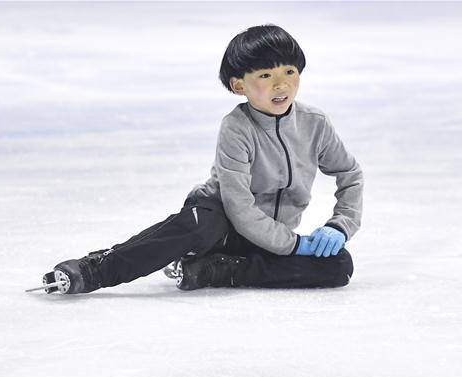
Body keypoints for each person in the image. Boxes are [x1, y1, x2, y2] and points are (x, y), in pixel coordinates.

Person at [37, 24, 363, 294]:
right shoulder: (237, 127)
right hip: (219, 223)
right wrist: (292, 245)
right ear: (239, 85)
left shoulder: (314, 123)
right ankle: (94, 270)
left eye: (289, 71)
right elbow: (239, 208)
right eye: (265, 75)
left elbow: (350, 174)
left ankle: (215, 271)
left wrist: (340, 225)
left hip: (269, 238)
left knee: (338, 265)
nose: (281, 84)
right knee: (199, 224)